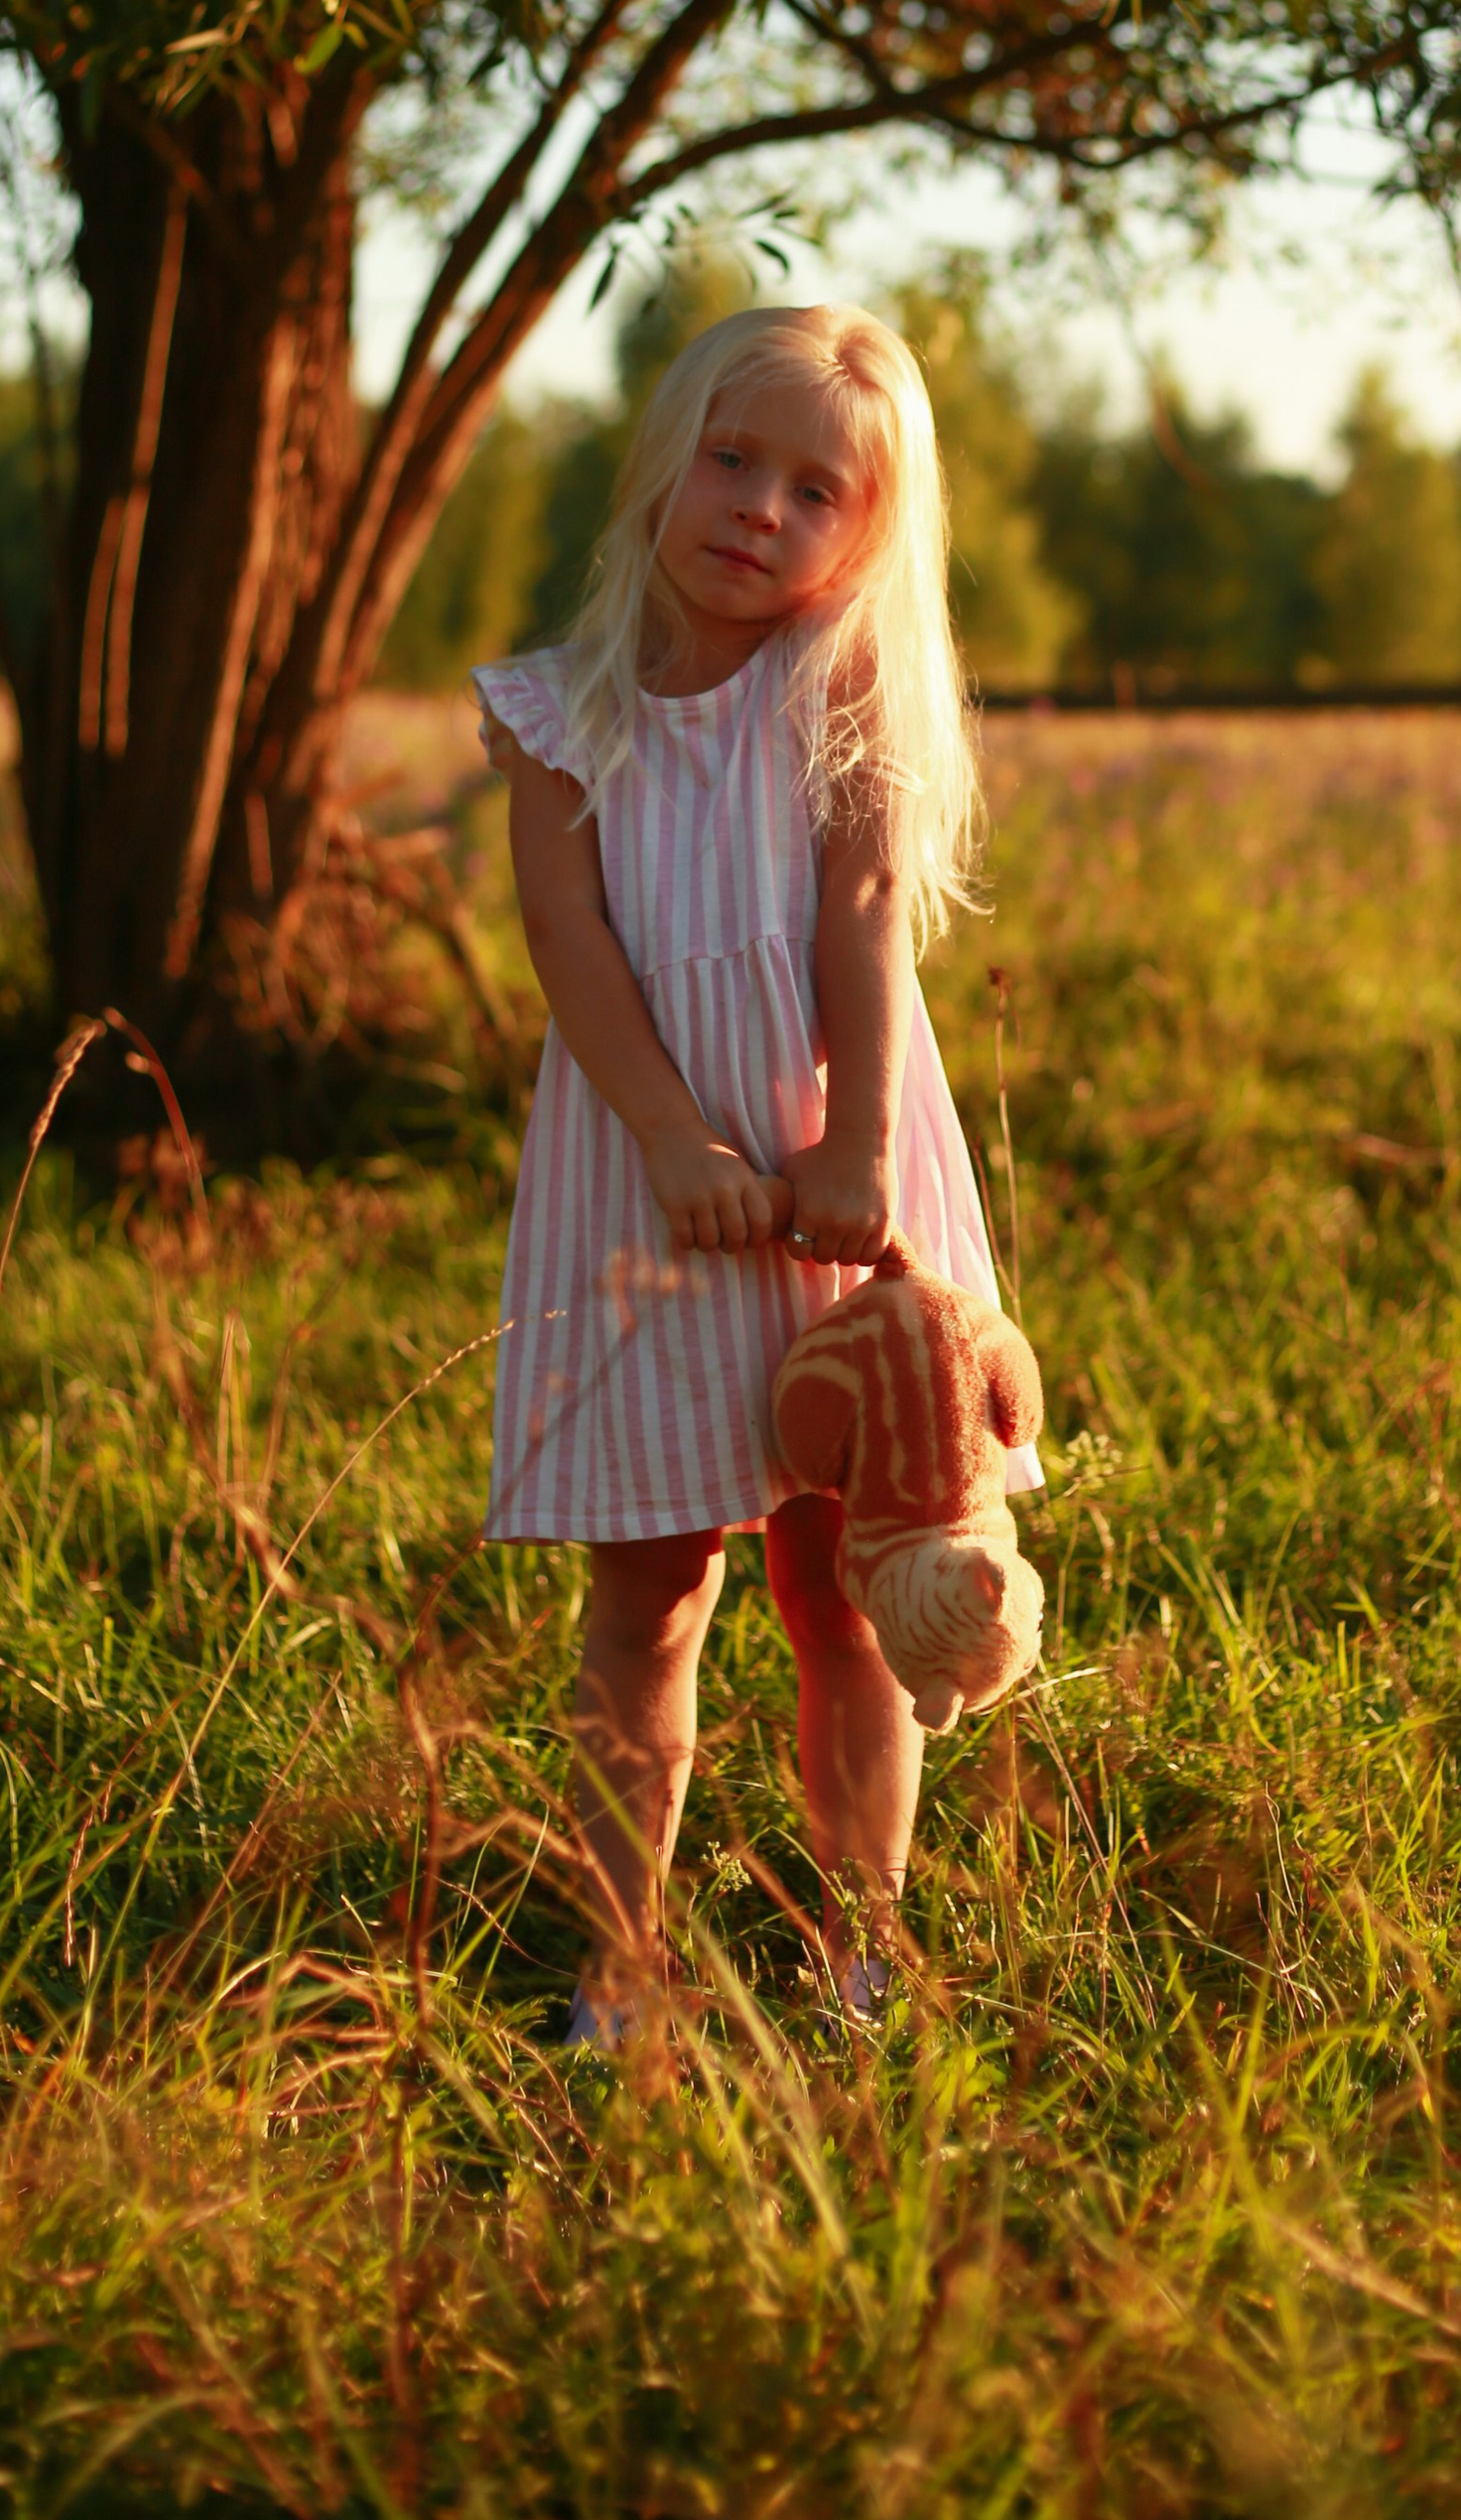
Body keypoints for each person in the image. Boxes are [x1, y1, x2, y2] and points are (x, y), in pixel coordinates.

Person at [472, 301, 1032, 2039]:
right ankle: (616, 1961)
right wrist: (671, 1140)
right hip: (645, 1180)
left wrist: (850, 1140)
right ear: (665, 460)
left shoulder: (837, 683)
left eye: (815, 491)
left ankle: (862, 1939)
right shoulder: (564, 716)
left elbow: (863, 916)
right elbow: (569, 940)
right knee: (647, 1593)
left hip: (830, 1176)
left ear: (867, 533)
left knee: (844, 1588)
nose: (758, 510)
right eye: (732, 460)